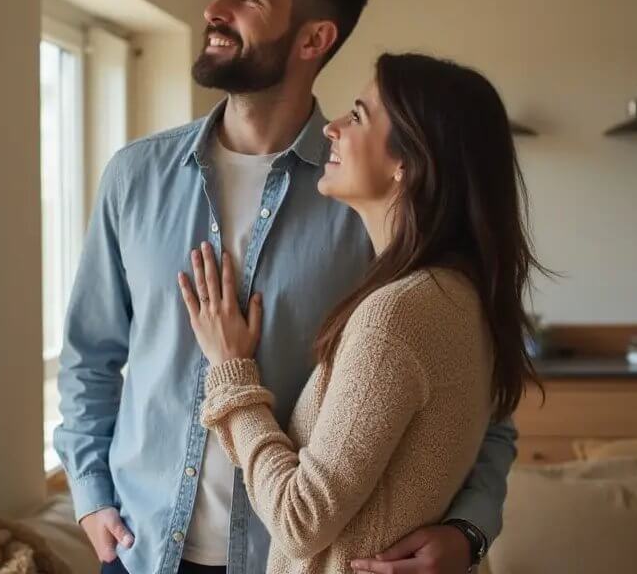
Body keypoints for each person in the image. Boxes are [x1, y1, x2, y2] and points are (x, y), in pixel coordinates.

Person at [54, 0, 519, 574]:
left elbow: (480, 400)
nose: (214, 10)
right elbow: (90, 357)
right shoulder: (135, 177)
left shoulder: (370, 207)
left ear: (314, 38)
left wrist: (470, 528)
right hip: (141, 551)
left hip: (287, 556)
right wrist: (91, 496)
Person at [179, 53, 542, 574]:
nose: (332, 127)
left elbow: (300, 519)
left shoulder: (398, 316)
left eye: (357, 115)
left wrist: (231, 372)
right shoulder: (459, 294)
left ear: (407, 163)